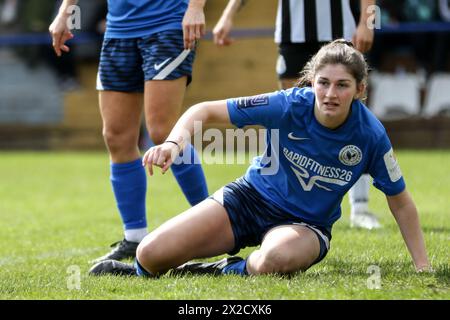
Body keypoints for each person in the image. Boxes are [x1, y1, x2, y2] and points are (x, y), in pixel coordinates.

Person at [89, 39, 431, 277]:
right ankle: (154, 267)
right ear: (311, 82)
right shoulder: (289, 104)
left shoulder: (370, 135)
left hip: (306, 226)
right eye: (323, 83)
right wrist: (174, 144)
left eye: (342, 85)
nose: (330, 94)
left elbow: (400, 201)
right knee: (149, 256)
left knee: (275, 258)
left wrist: (422, 266)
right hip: (250, 198)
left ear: (360, 90)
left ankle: (222, 270)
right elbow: (204, 110)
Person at [49, 0, 209, 262]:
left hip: (167, 26)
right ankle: (134, 237)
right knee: (116, 136)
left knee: (163, 132)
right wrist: (65, 12)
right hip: (118, 32)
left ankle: (212, 223)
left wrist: (196, 7)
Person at [213, 0, 381, 230]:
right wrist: (227, 14)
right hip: (292, 33)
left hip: (341, 31)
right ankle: (277, 199)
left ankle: (360, 207)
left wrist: (367, 21)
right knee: (291, 115)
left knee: (349, 115)